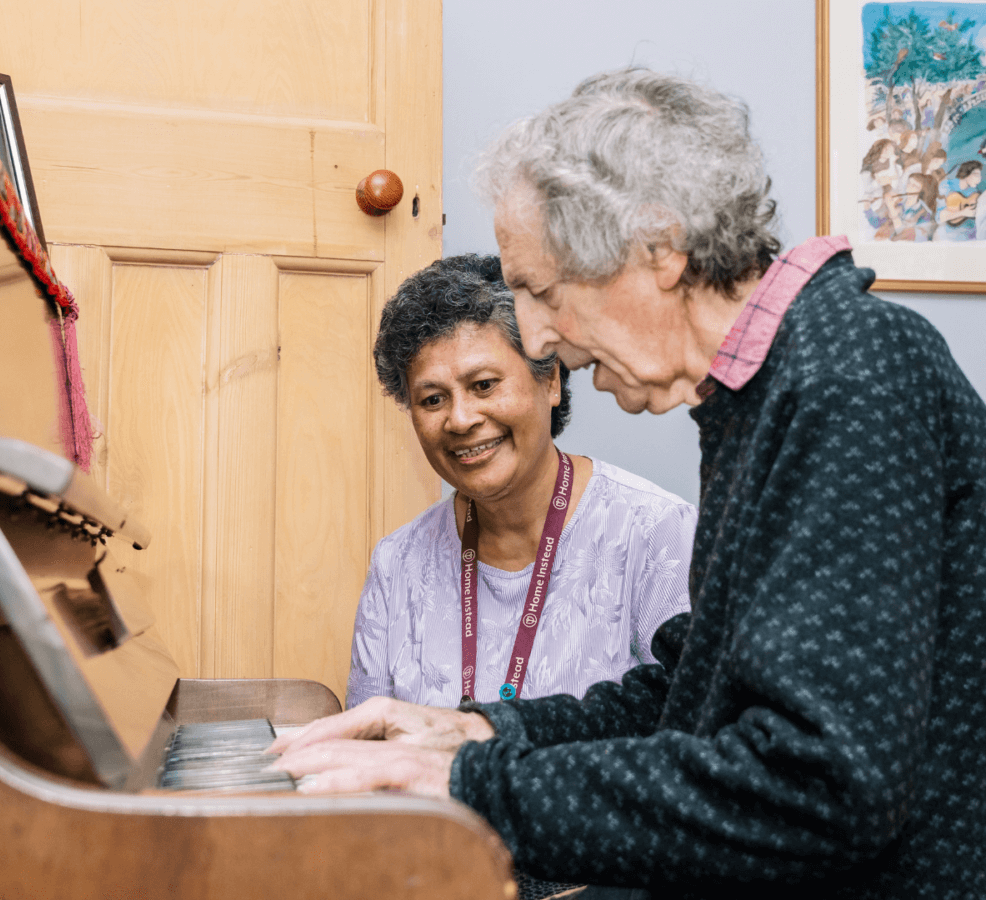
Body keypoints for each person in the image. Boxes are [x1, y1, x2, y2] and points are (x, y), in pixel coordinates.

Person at [270, 69, 986, 898]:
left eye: (541, 293)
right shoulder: (765, 392)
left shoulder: (848, 374)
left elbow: (822, 784)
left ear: (661, 249)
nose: (537, 339)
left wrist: (473, 789)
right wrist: (474, 734)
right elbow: (690, 693)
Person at [349, 253, 696, 711]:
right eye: (432, 399)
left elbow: (694, 730)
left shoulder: (657, 534)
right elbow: (368, 751)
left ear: (550, 381)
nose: (460, 419)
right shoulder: (397, 566)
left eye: (484, 385)